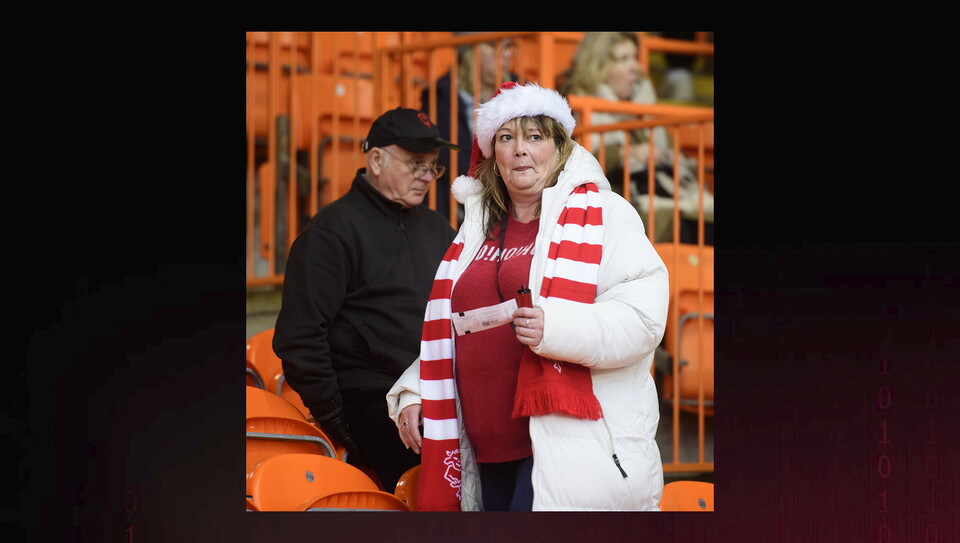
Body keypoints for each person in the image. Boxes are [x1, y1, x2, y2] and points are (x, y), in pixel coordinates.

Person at [386, 82, 669, 511]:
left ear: (559, 148)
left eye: (535, 136)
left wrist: (554, 327)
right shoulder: (476, 229)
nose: (520, 150)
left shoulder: (607, 215)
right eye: (506, 138)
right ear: (491, 154)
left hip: (566, 449)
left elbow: (643, 319)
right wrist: (415, 389)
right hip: (485, 448)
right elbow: (455, 327)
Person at [273, 107, 459, 492]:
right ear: (376, 159)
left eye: (433, 166)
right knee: (442, 484)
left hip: (437, 384)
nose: (427, 176)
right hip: (372, 397)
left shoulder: (438, 227)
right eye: (415, 164)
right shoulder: (330, 232)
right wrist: (338, 421)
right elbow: (300, 339)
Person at [559, 32, 713, 245]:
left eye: (635, 57)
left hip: (664, 197)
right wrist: (625, 155)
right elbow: (576, 167)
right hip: (618, 206)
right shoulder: (574, 109)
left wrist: (667, 157)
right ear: (598, 67)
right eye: (623, 59)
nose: (635, 67)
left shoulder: (645, 107)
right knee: (688, 226)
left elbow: (682, 160)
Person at [419, 33, 519, 224]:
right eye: (493, 45)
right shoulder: (439, 96)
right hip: (460, 206)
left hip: (512, 194)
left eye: (508, 46)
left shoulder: (520, 90)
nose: (505, 54)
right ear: (467, 50)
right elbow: (452, 158)